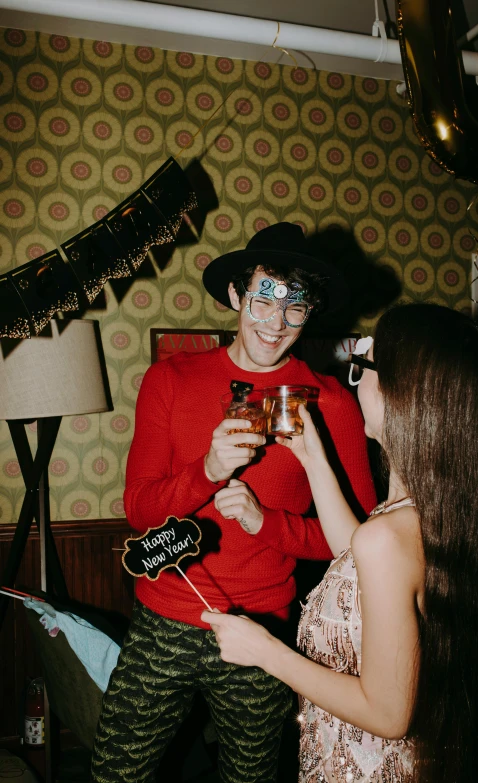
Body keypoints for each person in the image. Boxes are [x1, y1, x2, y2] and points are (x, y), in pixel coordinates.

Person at [91, 222, 377, 783]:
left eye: (295, 308)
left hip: (264, 627)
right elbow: (140, 510)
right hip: (165, 616)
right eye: (263, 299)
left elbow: (357, 542)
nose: (276, 323)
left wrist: (266, 523)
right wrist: (206, 472)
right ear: (234, 296)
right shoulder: (169, 380)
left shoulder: (333, 404)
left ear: (310, 312)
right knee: (113, 773)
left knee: (249, 777)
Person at [203, 303, 478, 783]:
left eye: (364, 366)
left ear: (400, 394)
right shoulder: (428, 508)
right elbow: (360, 555)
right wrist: (315, 462)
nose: (355, 378)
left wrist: (264, 650)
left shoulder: (389, 537)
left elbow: (389, 713)